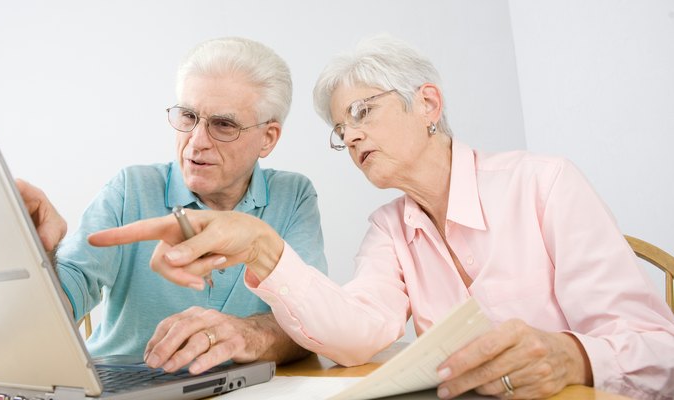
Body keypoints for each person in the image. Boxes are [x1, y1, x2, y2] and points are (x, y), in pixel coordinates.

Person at [88, 34, 674, 400]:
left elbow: (657, 349)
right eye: (341, 129)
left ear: (428, 104)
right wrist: (265, 250)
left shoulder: (544, 183)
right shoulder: (389, 227)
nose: (351, 133)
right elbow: (356, 336)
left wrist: (574, 355)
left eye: (361, 111)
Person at [17, 36, 327, 375]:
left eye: (223, 125)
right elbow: (53, 314)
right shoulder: (131, 188)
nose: (196, 141)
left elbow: (311, 318)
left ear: (268, 138)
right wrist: (39, 252)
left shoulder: (293, 195)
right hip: (122, 383)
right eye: (188, 116)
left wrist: (244, 334)